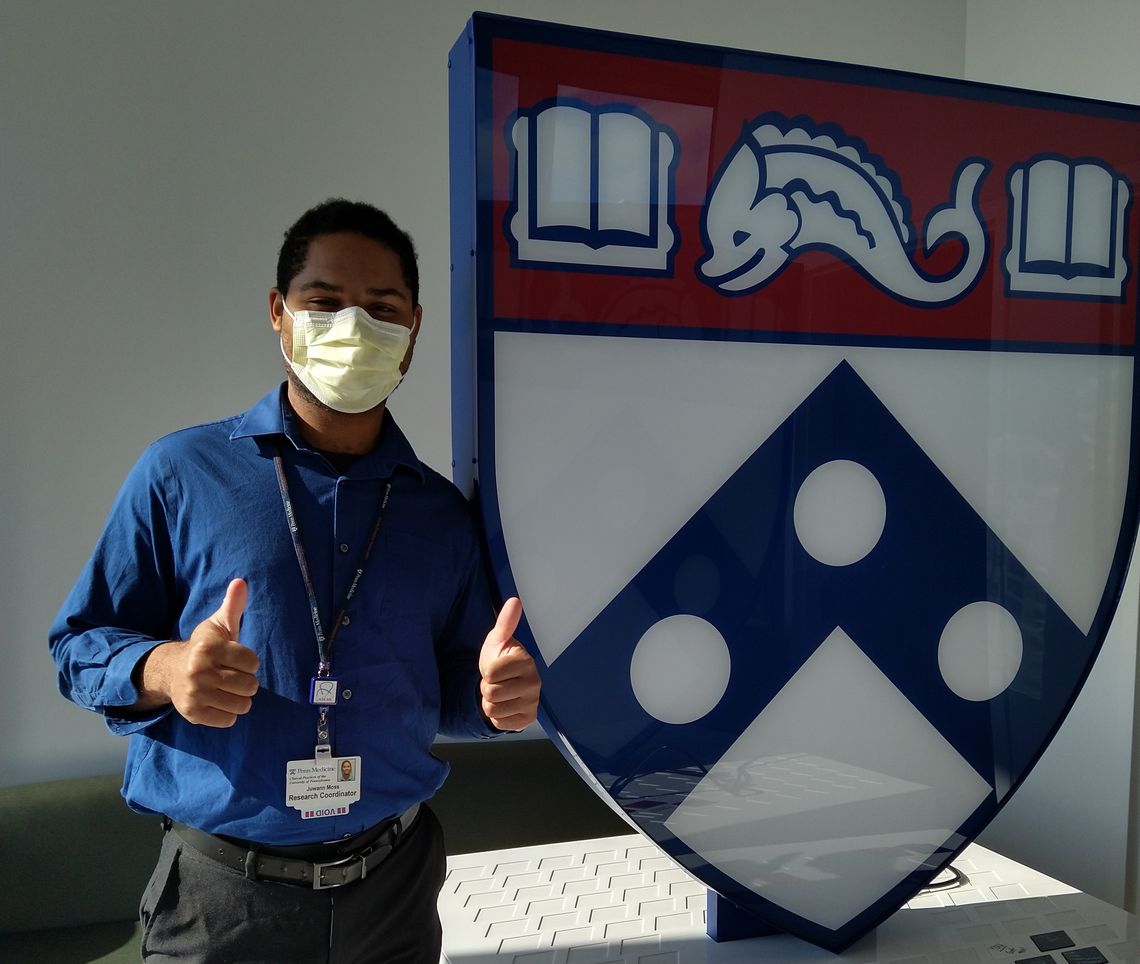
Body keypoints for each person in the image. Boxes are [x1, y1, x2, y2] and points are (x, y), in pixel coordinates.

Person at [49, 198, 541, 963]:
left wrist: (496, 703)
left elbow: (450, 689)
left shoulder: (440, 513)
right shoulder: (181, 473)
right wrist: (165, 668)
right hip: (223, 900)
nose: (354, 327)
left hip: (395, 887)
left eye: (382, 309)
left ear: (413, 330)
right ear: (279, 313)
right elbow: (77, 647)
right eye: (324, 302)